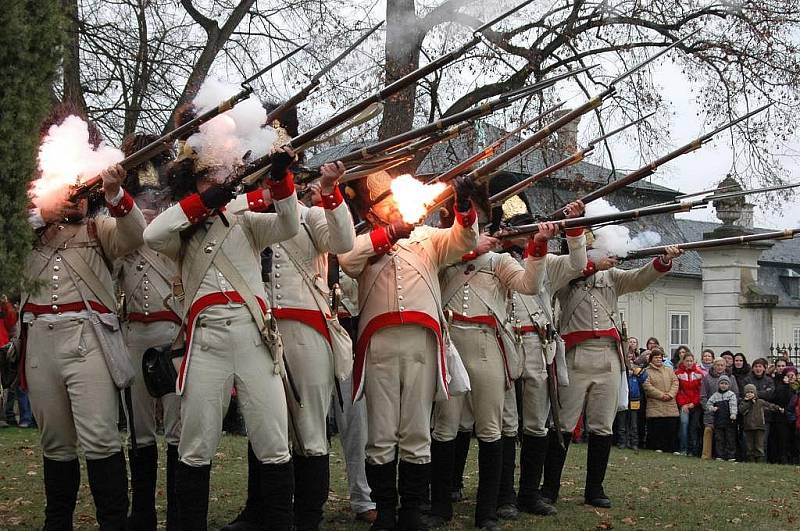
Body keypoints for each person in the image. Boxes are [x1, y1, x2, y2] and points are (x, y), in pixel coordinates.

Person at [144, 139, 301, 529]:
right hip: (206, 342)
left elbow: (288, 224)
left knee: (274, 445)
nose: (216, 181)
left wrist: (282, 178)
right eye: (207, 178)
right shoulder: (180, 227)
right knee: (195, 448)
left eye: (220, 176)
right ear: (191, 183)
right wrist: (211, 198)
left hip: (254, 337)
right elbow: (151, 234)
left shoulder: (244, 219)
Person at [22, 105, 145, 529]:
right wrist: (42, 213)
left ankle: (114, 521)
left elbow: (136, 234)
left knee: (100, 439)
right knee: (55, 443)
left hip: (87, 340)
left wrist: (115, 194)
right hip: (39, 342)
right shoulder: (29, 231)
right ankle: (58, 522)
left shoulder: (100, 230)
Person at [338, 171, 478, 531]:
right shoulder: (363, 240)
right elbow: (348, 261)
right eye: (383, 203)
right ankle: (385, 511)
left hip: (422, 341)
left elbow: (463, 241)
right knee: (381, 434)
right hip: (379, 342)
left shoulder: (428, 236)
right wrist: (387, 235)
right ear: (371, 212)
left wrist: (463, 206)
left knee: (416, 431)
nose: (392, 206)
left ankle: (412, 510)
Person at [224, 161, 354, 531]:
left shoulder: (309, 213)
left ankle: (308, 517)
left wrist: (330, 193)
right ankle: (260, 509)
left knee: (310, 428)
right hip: (256, 328)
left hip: (304, 328)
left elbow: (342, 242)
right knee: (262, 422)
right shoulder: (243, 214)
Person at [428, 205, 571, 530]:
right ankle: (439, 506)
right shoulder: (442, 254)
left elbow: (530, 285)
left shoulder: (500, 261)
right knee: (445, 427)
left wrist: (537, 245)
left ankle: (488, 511)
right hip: (450, 344)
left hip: (488, 344)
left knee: (491, 429)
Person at [540, 245, 682, 509]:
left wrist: (662, 260)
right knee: (564, 425)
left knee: (602, 427)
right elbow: (555, 278)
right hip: (575, 354)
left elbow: (639, 279)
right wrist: (592, 265)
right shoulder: (566, 273)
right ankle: (549, 488)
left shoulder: (612, 277)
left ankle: (595, 488)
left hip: (608, 355)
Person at [114, 132, 182, 531]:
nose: (152, 208)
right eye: (144, 201)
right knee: (139, 433)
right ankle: (141, 514)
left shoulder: (178, 232)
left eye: (158, 202)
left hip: (174, 333)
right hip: (135, 334)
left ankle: (177, 514)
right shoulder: (123, 239)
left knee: (176, 429)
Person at [503, 211, 588, 519]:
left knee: (537, 426)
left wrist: (575, 227)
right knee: (504, 424)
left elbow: (578, 265)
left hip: (539, 345)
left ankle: (529, 493)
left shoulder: (549, 262)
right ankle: (504, 495)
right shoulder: (496, 260)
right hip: (506, 342)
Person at [700, 358, 739, 459]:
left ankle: (730, 455)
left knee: (729, 436)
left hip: (728, 413)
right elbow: (703, 396)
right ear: (713, 365)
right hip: (712, 412)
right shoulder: (707, 378)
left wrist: (733, 412)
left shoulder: (732, 378)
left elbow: (736, 395)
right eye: (717, 365)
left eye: (722, 365)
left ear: (725, 366)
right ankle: (708, 455)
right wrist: (709, 409)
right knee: (714, 434)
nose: (719, 367)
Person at [642, 348, 679, 453]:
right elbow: (647, 386)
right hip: (655, 404)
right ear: (651, 359)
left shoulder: (669, 370)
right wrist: (661, 395)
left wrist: (670, 394)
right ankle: (657, 446)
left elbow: (675, 382)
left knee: (671, 427)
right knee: (657, 427)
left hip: (670, 403)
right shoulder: (646, 371)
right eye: (656, 357)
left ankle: (672, 448)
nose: (658, 359)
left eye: (660, 357)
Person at [739, 383, 783, 462]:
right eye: (747, 392)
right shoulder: (743, 402)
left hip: (759, 426)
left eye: (751, 392)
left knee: (759, 446)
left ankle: (760, 461)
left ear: (755, 393)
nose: (750, 394)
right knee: (749, 446)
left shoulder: (760, 402)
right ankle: (751, 461)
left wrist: (778, 408)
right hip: (748, 427)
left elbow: (769, 405)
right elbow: (741, 410)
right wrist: (749, 402)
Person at [615, 350, 647, 451]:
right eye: (627, 356)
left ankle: (634, 443)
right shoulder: (620, 368)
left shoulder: (636, 368)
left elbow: (644, 377)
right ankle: (622, 442)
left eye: (630, 356)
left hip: (634, 398)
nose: (629, 358)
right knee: (622, 422)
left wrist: (636, 372)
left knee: (634, 423)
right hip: (622, 397)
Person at [675, 352, 705, 456]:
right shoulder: (678, 373)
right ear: (683, 361)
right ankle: (683, 448)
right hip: (684, 405)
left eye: (691, 361)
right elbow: (678, 391)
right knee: (684, 424)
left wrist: (693, 403)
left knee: (694, 426)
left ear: (694, 362)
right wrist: (683, 404)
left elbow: (700, 391)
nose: (689, 363)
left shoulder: (699, 373)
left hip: (695, 405)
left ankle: (693, 450)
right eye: (687, 361)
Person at [768, 367, 797, 464]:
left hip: (796, 417)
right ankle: (784, 459)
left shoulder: (797, 387)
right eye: (788, 375)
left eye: (792, 375)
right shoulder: (781, 386)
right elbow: (779, 398)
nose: (790, 377)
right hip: (782, 417)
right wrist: (786, 385)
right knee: (783, 440)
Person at [705, 375, 738, 461]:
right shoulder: (715, 395)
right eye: (722, 383)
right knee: (719, 438)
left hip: (729, 420)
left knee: (730, 438)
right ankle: (720, 455)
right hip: (718, 420)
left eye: (726, 384)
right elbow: (708, 404)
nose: (723, 385)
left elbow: (733, 405)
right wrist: (712, 408)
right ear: (718, 384)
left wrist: (733, 414)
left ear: (729, 385)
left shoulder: (731, 395)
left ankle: (731, 455)